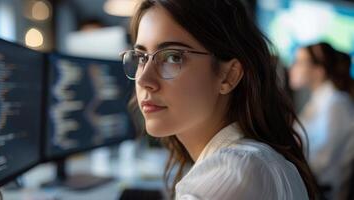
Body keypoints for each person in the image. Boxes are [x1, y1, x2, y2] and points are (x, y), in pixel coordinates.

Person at [120, 0, 317, 199]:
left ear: (229, 75)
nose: (144, 79)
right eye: (142, 57)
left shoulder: (237, 172)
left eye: (173, 57)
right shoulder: (253, 162)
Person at [290, 42, 354, 199]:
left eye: (299, 62)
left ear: (319, 71)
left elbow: (324, 162)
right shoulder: (320, 99)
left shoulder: (337, 103)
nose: (292, 67)